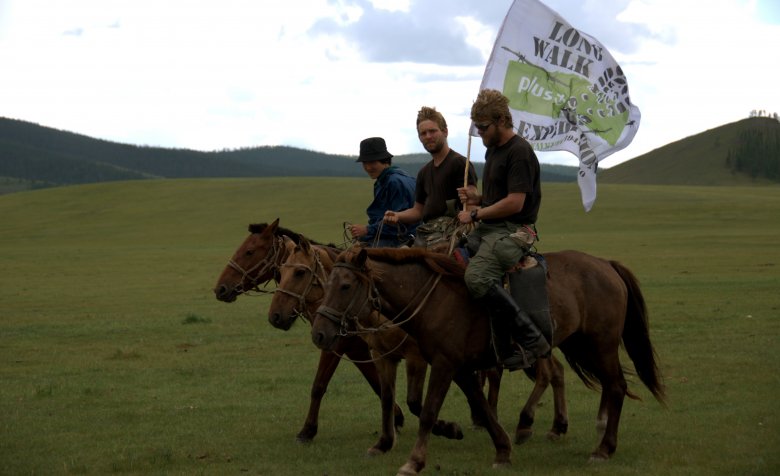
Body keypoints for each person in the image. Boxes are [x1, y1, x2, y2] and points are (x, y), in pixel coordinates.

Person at [456, 89, 551, 371]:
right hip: (491, 226)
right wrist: (477, 198)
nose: (479, 133)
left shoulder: (519, 152)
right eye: (476, 127)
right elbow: (498, 197)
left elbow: (514, 202)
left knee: (476, 277)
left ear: (500, 120)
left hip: (514, 229)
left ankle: (532, 340)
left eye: (483, 127)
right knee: (449, 256)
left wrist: (475, 213)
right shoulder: (493, 149)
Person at [383, 107, 478, 249]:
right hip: (428, 232)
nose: (428, 136)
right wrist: (398, 216)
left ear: (445, 131)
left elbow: (471, 204)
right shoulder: (424, 172)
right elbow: (418, 211)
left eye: (432, 131)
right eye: (423, 133)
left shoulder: (460, 164)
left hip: (451, 233)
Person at [349, 137, 417, 247]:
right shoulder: (396, 177)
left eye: (372, 162)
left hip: (403, 240)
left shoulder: (393, 182)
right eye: (365, 163)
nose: (368, 167)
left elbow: (398, 224)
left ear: (384, 160)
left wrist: (367, 230)